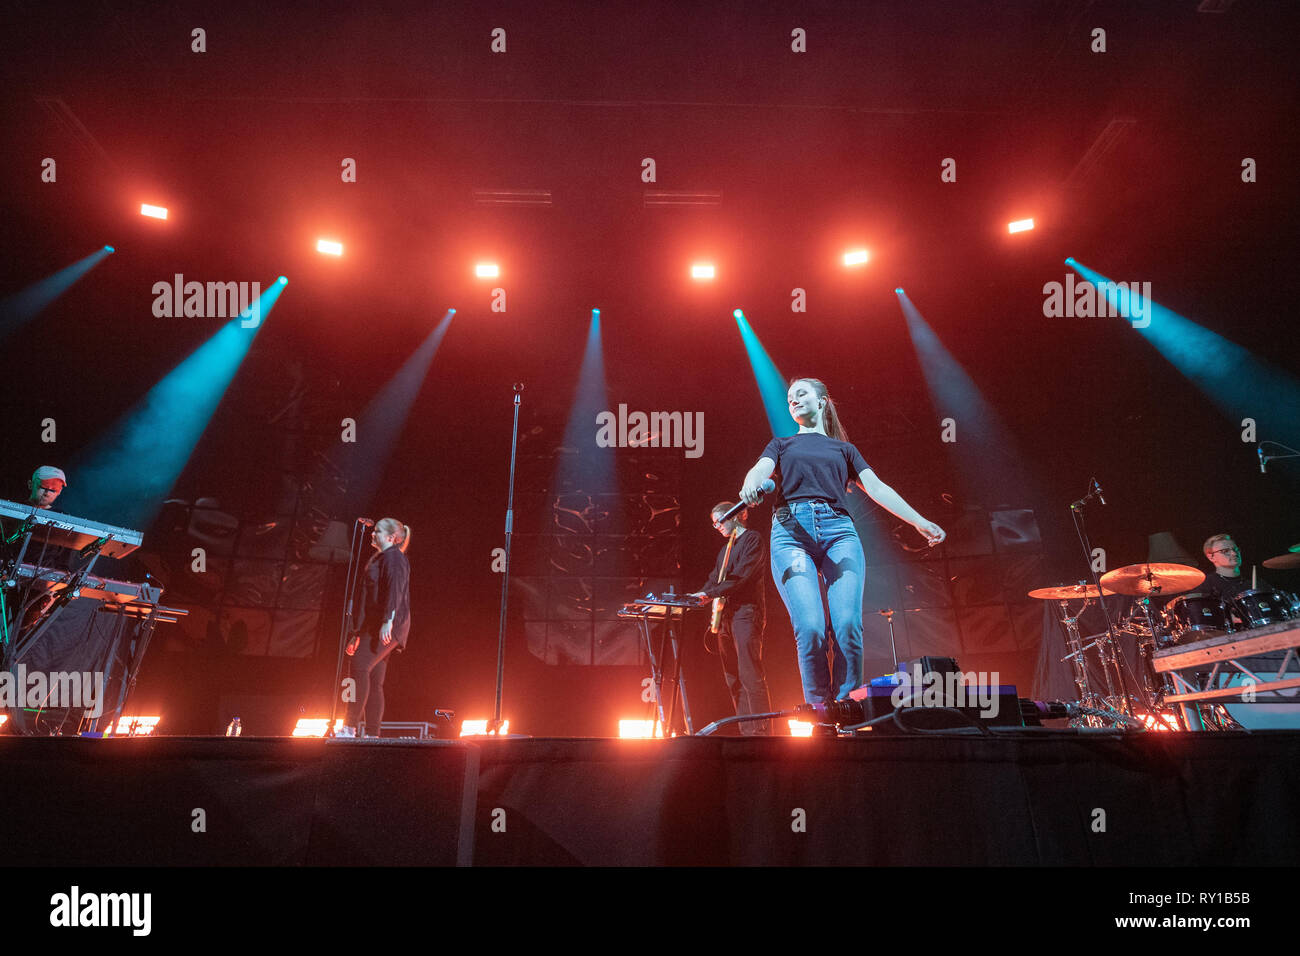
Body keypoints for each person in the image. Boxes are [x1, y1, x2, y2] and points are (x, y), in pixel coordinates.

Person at [739, 378, 945, 711]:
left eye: (801, 394)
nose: (793, 401)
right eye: (789, 399)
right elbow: (759, 469)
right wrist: (749, 484)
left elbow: (877, 489)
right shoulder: (780, 444)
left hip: (838, 530)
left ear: (822, 402)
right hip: (791, 532)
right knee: (810, 628)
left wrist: (919, 521)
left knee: (848, 625)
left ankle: (846, 708)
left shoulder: (844, 450)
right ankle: (820, 714)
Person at [689, 501, 771, 735]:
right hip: (726, 617)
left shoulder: (752, 540)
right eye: (714, 524)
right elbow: (714, 580)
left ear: (739, 515)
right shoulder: (724, 550)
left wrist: (709, 593)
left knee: (750, 674)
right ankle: (748, 733)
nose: (717, 527)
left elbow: (741, 577)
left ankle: (763, 733)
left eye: (720, 521)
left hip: (746, 613)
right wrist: (697, 596)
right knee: (732, 677)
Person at [337, 518, 412, 738]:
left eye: (377, 531)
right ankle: (372, 735)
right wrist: (356, 633)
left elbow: (395, 590)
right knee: (374, 678)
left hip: (388, 625)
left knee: (359, 668)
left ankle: (349, 728)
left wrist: (388, 620)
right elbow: (365, 600)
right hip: (374, 626)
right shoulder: (380, 558)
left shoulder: (395, 558)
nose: (372, 534)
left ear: (391, 538)